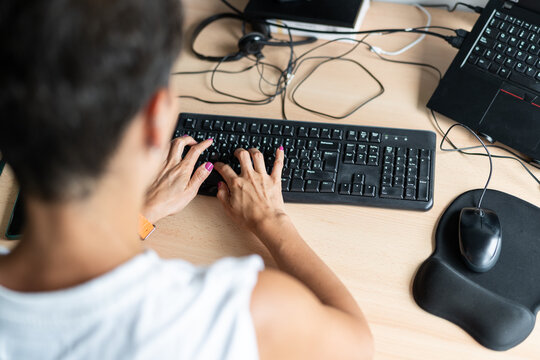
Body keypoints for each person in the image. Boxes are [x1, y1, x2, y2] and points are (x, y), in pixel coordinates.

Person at [0, 0, 373, 359]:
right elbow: (357, 345)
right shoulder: (239, 316)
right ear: (157, 119)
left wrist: (142, 215)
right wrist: (270, 221)